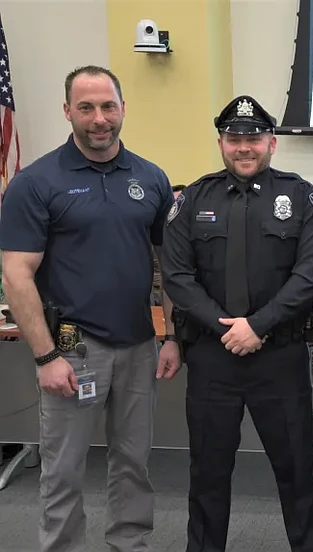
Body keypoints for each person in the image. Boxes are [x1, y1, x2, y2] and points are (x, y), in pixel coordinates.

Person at [0, 65, 181, 552]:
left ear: (123, 109)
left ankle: (130, 545)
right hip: (72, 348)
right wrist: (44, 356)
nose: (98, 118)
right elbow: (16, 273)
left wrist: (172, 337)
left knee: (132, 463)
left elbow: (170, 264)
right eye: (86, 108)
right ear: (68, 112)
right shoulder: (36, 182)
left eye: (107, 106)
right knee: (63, 470)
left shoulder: (150, 177)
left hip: (140, 344)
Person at [160, 95, 313, 552]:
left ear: (271, 142)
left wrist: (258, 325)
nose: (244, 147)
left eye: (253, 138)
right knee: (208, 473)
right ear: (221, 142)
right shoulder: (193, 198)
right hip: (214, 360)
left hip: (280, 357)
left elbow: (311, 273)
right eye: (234, 138)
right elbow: (177, 276)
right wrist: (227, 329)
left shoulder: (300, 196)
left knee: (295, 471)